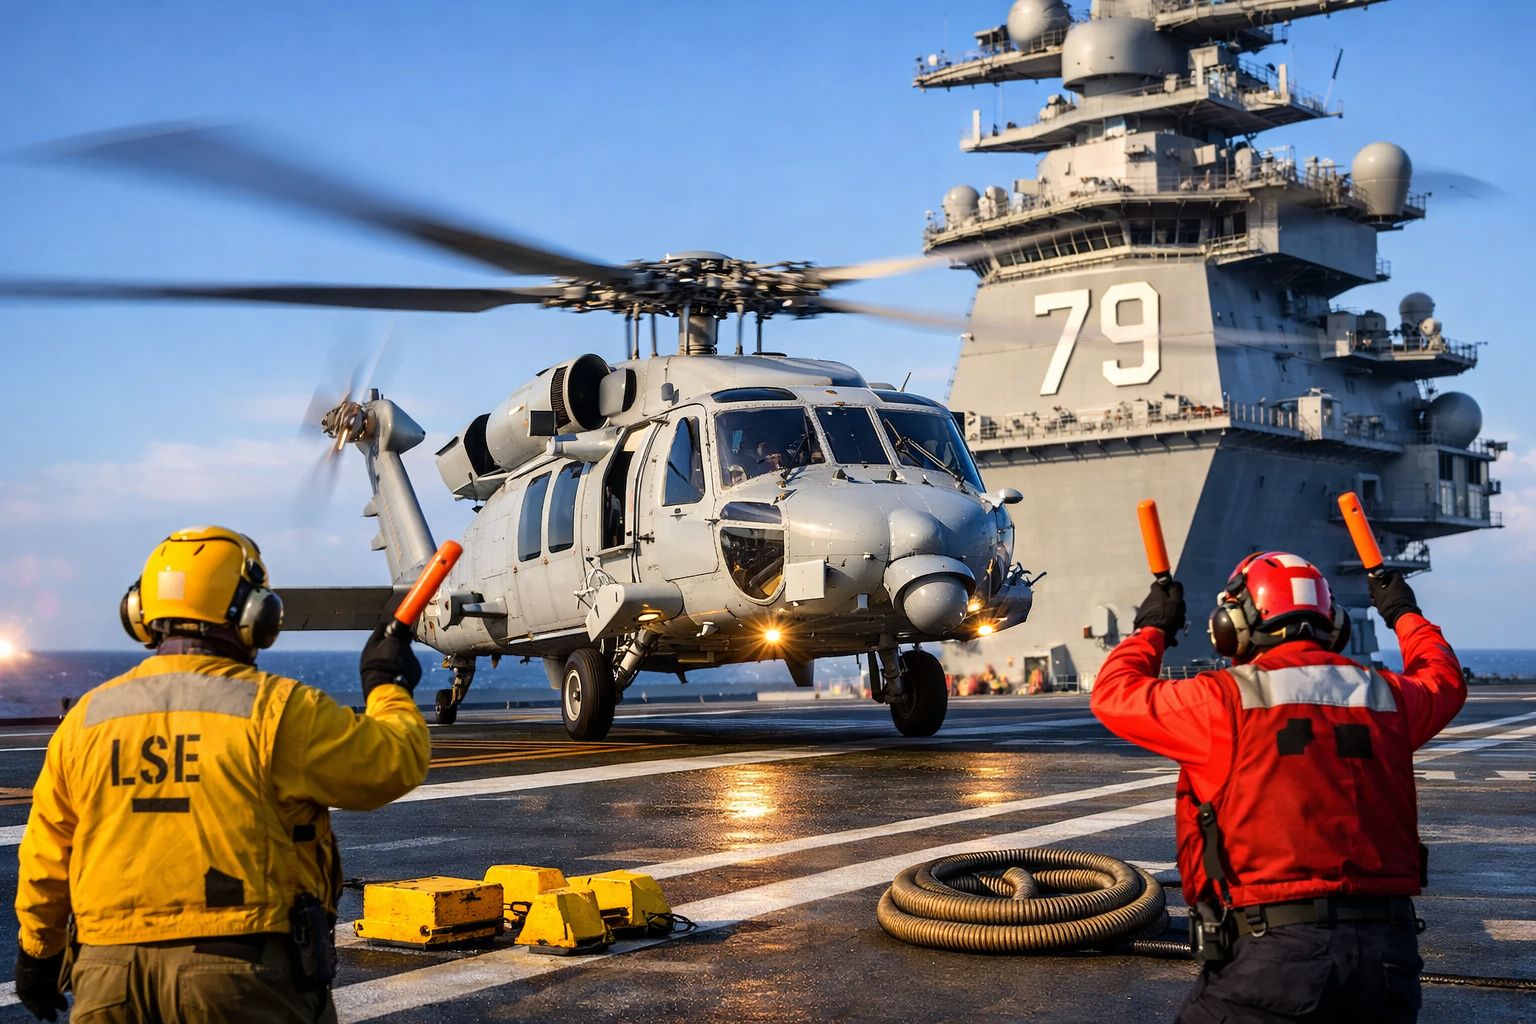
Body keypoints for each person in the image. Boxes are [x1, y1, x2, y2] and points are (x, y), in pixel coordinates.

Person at [14, 526, 432, 1023]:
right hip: (239, 974)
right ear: (256, 614)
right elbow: (392, 762)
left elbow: (46, 853)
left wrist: (38, 954)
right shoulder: (279, 710)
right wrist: (386, 684)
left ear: (140, 613)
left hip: (108, 977)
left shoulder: (86, 719)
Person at [1091, 552, 1465, 1023]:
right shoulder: (1389, 697)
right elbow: (1443, 678)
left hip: (1275, 959)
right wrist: (1403, 613)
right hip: (1387, 959)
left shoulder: (1222, 699)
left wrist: (1154, 627)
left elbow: (1114, 693)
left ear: (1234, 623)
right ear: (1334, 624)